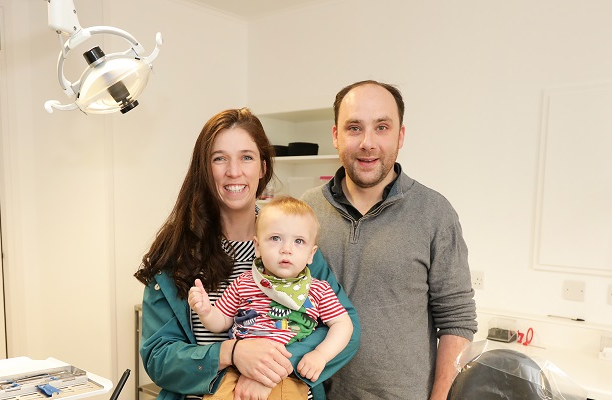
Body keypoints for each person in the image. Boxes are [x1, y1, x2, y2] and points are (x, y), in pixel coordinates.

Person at [135, 108, 360, 400]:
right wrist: (232, 352)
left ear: (263, 168)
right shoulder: (176, 256)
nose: (234, 171)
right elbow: (158, 358)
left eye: (246, 157)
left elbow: (346, 330)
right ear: (205, 169)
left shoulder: (294, 248)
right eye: (219, 158)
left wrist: (270, 371)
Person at [301, 80, 478, 400]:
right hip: (311, 394)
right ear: (335, 136)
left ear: (400, 135)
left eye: (381, 127)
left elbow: (457, 319)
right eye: (354, 127)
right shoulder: (305, 210)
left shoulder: (434, 213)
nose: (367, 142)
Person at [189, 196, 354, 400]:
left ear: (311, 255)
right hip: (239, 370)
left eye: (299, 241)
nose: (286, 249)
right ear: (257, 247)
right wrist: (206, 311)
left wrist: (321, 354)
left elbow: (343, 324)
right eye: (275, 238)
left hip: (288, 375)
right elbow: (221, 322)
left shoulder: (318, 289)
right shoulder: (245, 282)